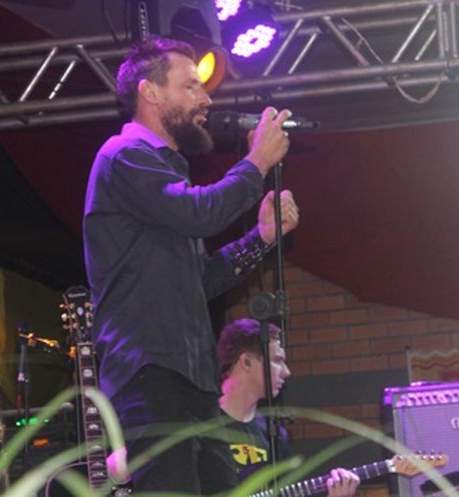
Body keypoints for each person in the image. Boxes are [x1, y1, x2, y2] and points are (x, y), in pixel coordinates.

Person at [83, 37, 300, 494]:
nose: (206, 99)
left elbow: (202, 279)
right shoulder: (123, 156)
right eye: (190, 87)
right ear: (150, 92)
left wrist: (261, 237)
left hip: (192, 376)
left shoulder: (165, 172)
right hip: (151, 370)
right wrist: (256, 162)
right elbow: (198, 213)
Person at [218, 318, 360, 497]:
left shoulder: (274, 434)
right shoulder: (201, 425)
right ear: (246, 362)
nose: (286, 371)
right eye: (277, 360)